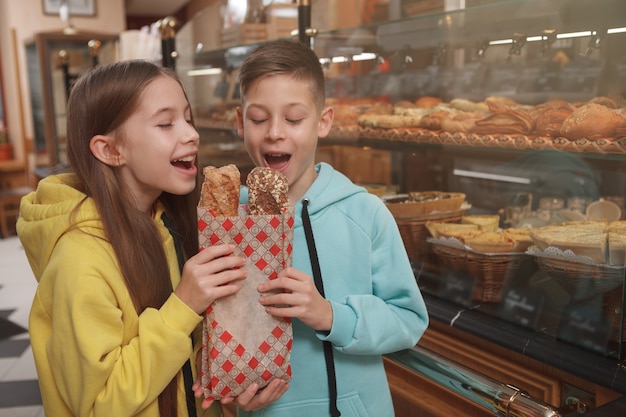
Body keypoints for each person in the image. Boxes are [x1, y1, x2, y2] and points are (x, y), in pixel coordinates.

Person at [197, 38, 429, 417]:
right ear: (239, 123)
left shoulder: (365, 213)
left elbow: (408, 321)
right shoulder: (223, 221)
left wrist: (330, 315)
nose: (274, 133)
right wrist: (224, 393)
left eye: (293, 119)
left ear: (323, 122)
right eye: (258, 119)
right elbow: (213, 321)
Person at [17, 60, 249, 417]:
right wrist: (183, 306)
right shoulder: (80, 259)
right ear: (110, 150)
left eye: (188, 118)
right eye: (166, 123)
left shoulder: (168, 222)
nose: (191, 134)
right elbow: (99, 404)